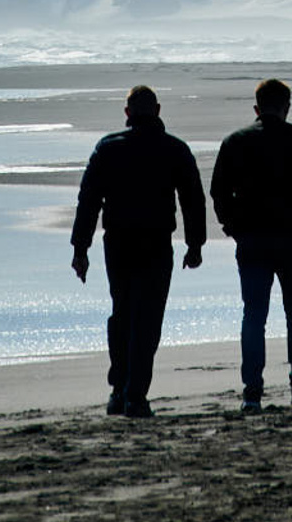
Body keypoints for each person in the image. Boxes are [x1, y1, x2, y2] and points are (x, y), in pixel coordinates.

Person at [70, 84, 206, 417]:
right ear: (157, 110)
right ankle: (134, 394)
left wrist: (80, 248)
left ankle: (120, 388)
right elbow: (193, 200)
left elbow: (88, 201)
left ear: (128, 113)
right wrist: (194, 245)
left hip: (118, 244)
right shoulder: (174, 149)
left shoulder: (108, 149)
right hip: (156, 244)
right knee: (147, 319)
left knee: (123, 313)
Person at [210, 77, 292, 411]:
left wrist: (232, 225)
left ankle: (252, 391)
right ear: (286, 107)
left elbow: (219, 191)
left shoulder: (236, 141)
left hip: (253, 239)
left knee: (254, 314)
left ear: (256, 108)